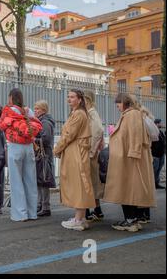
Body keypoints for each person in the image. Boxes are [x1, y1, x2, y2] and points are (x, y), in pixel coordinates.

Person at [104, 93, 156, 232]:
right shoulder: (129, 114)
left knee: (127, 189)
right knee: (126, 189)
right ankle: (132, 220)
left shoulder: (132, 114)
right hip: (126, 158)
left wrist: (134, 153)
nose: (117, 106)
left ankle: (131, 220)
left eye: (119, 103)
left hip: (129, 159)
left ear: (125, 102)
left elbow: (135, 135)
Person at [0, 89, 42, 222]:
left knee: (16, 181)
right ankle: (32, 212)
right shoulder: (27, 111)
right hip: (28, 147)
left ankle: (20, 214)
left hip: (15, 146)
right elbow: (38, 125)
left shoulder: (8, 110)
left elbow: (0, 125)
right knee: (30, 180)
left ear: (11, 97)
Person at [54, 89, 95, 231]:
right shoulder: (78, 113)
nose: (69, 99)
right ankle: (81, 218)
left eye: (72, 97)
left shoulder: (78, 114)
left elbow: (68, 135)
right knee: (80, 183)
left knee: (79, 184)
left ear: (79, 99)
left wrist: (56, 149)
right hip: (77, 151)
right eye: (68, 97)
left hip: (76, 152)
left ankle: (78, 219)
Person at [84, 91, 105, 222]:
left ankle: (87, 212)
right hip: (91, 153)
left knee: (87, 183)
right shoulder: (90, 113)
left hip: (89, 154)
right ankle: (97, 211)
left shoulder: (91, 113)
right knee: (91, 183)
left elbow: (98, 131)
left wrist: (91, 151)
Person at [33, 100, 56, 217]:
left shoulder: (45, 122)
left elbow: (46, 139)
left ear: (43, 110)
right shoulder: (41, 121)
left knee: (44, 181)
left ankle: (45, 206)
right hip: (42, 155)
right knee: (40, 180)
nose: (35, 111)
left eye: (37, 109)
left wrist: (34, 139)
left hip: (44, 156)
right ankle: (40, 205)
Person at [152, 119, 165, 190]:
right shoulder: (153, 132)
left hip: (161, 154)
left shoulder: (161, 132)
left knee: (159, 170)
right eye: (160, 123)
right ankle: (152, 184)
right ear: (156, 124)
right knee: (154, 170)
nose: (161, 124)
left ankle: (157, 184)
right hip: (155, 155)